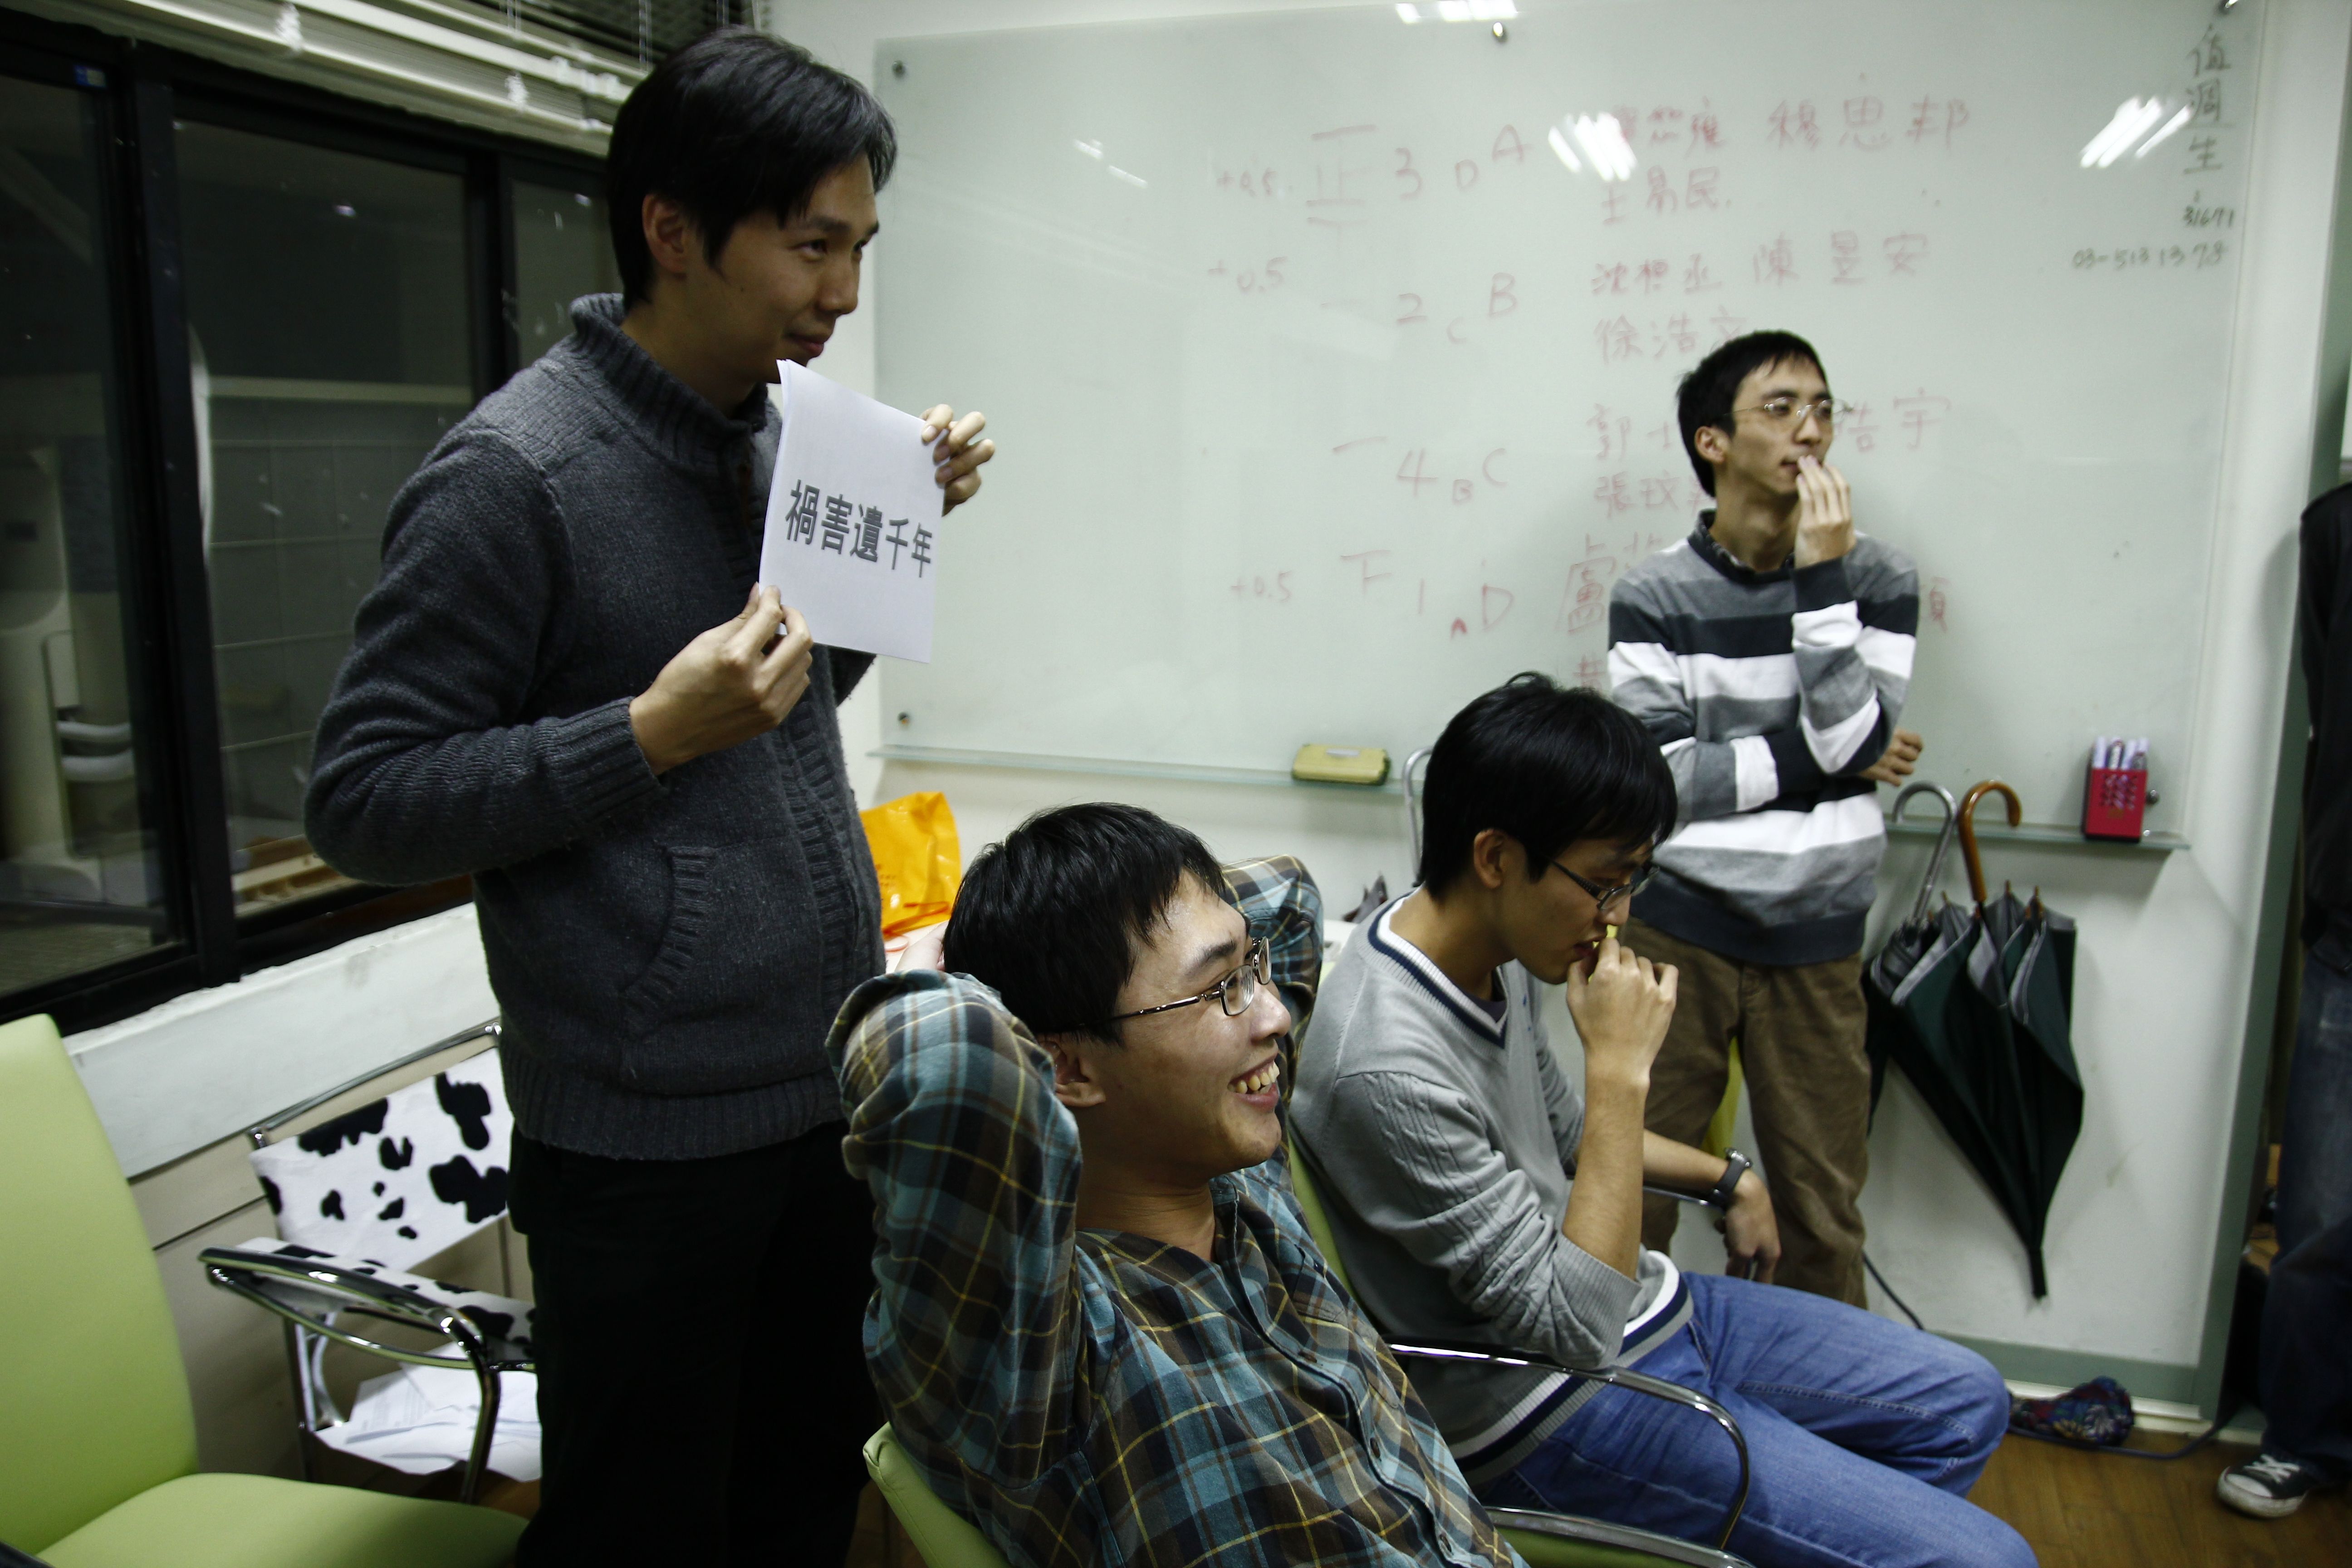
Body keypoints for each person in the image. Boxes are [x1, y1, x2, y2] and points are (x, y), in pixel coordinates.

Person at [304, 30, 995, 1564]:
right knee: (642, 1533)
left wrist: (899, 527)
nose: (843, 292)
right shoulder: (515, 475)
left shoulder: (790, 442)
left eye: (860, 246)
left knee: (803, 1501)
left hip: (820, 1096)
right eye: (810, 245)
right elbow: (362, 800)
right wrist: (644, 734)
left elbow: (780, 715)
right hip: (642, 1148)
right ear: (671, 230)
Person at [1291, 674, 2030, 1568]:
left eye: (1634, 881)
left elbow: (1571, 1143)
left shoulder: (1498, 949)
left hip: (1642, 1309)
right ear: (1495, 858)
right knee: (1990, 1561)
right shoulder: (1382, 1065)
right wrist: (1620, 1070)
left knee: (1968, 1403)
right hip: (1547, 1410)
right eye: (1603, 884)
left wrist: (1731, 1179)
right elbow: (1575, 1331)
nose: (1618, 918)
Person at [831, 804, 1519, 1567]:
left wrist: (1136, 913)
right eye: (1222, 988)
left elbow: (1289, 897)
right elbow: (945, 1062)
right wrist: (928, 965)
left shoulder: (1246, 1179)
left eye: (1251, 969)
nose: (1274, 1015)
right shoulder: (1038, 1350)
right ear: (1066, 1068)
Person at [1606, 329, 1921, 1305]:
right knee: (1635, 1187)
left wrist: (1822, 580)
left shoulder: (1879, 582)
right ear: (1713, 442)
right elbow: (1666, 780)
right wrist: (1831, 757)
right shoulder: (1654, 594)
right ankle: (1617, 1376)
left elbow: (1852, 736)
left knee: (1822, 1209)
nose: (1810, 431)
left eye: (1823, 408)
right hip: (1679, 928)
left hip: (1816, 938)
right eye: (1780, 409)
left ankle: (1829, 1396)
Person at [2214, 480, 2352, 1517]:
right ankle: (2305, 1439)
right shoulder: (2340, 527)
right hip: (2350, 935)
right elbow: (2326, 707)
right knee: (2318, 1214)